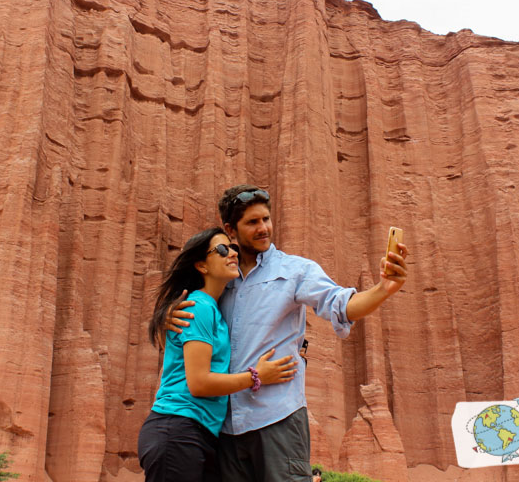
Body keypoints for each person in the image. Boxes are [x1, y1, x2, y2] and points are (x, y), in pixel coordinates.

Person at [170, 185, 409, 482]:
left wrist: (382, 290)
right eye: (252, 222)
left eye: (266, 219)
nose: (263, 228)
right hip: (227, 426)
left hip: (278, 419)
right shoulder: (222, 277)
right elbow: (189, 311)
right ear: (231, 229)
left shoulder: (295, 271)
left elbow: (342, 304)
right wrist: (170, 317)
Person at [138, 227, 298, 482]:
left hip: (199, 434)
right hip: (178, 428)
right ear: (201, 266)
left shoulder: (214, 309)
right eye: (223, 250)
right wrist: (256, 376)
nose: (232, 254)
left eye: (234, 249)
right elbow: (199, 383)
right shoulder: (198, 307)